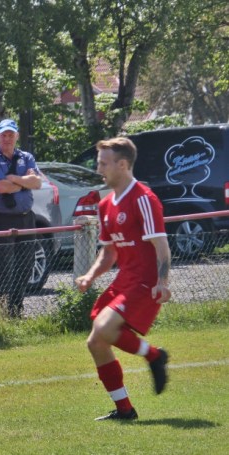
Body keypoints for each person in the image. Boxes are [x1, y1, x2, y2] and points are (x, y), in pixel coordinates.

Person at [75, 137, 170, 421]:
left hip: (145, 282)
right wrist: (90, 276)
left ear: (123, 165)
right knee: (96, 342)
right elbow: (109, 252)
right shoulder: (105, 204)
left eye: (104, 163)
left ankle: (153, 355)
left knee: (104, 327)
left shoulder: (143, 199)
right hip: (124, 281)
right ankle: (124, 409)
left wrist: (162, 282)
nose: (99, 169)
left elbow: (162, 246)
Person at [0, 119, 43, 318]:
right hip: (3, 219)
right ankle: (2, 313)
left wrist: (14, 179)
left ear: (17, 136)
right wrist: (25, 181)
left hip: (26, 218)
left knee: (26, 265)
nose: (7, 139)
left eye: (10, 135)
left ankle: (16, 309)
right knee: (3, 268)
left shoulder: (26, 157)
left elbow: (37, 183)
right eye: (3, 135)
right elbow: (0, 187)